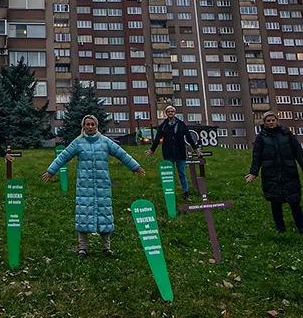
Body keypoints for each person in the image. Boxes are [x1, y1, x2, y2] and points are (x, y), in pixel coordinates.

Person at [41, 115, 146, 256]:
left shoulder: (105, 142)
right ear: (83, 127)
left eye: (92, 124)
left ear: (96, 126)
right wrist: (51, 170)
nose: (90, 127)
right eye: (87, 124)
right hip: (84, 186)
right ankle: (82, 248)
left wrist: (135, 167)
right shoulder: (78, 143)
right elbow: (63, 156)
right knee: (83, 214)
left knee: (105, 214)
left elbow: (122, 154)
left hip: (103, 185)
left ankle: (106, 247)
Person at [244, 112, 303, 235]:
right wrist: (253, 173)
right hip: (270, 173)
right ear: (264, 122)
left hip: (289, 172)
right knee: (275, 203)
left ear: (277, 120)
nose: (271, 122)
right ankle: (281, 230)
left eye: (273, 120)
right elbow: (257, 157)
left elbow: (298, 153)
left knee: (295, 202)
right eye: (268, 121)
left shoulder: (287, 134)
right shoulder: (261, 137)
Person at [144, 105, 201, 201]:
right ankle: (170, 194)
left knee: (182, 173)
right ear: (166, 113)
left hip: (180, 153)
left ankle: (186, 193)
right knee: (169, 174)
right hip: (168, 153)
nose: (170, 113)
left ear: (175, 113)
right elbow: (157, 138)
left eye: (172, 111)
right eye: (169, 111)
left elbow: (188, 137)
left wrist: (195, 148)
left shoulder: (181, 124)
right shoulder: (163, 126)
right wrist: (152, 150)